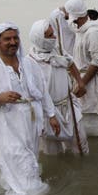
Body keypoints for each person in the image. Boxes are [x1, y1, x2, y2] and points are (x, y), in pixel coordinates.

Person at [0, 22, 60, 195]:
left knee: (29, 160)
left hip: (31, 125)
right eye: (7, 39)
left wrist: (51, 115)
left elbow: (42, 92)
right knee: (22, 163)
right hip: (6, 130)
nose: (12, 42)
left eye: (15, 38)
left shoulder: (29, 65)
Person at [28, 19, 89, 155]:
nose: (54, 37)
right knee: (52, 151)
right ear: (40, 39)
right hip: (48, 113)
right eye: (49, 36)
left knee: (80, 142)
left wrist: (80, 82)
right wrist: (50, 115)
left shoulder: (57, 50)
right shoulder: (31, 63)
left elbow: (70, 63)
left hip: (68, 105)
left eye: (53, 34)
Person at [65, 0, 98, 138]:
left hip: (91, 80)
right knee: (82, 115)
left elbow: (97, 60)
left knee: (94, 116)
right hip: (81, 78)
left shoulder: (93, 32)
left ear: (76, 17)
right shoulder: (80, 31)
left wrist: (82, 82)